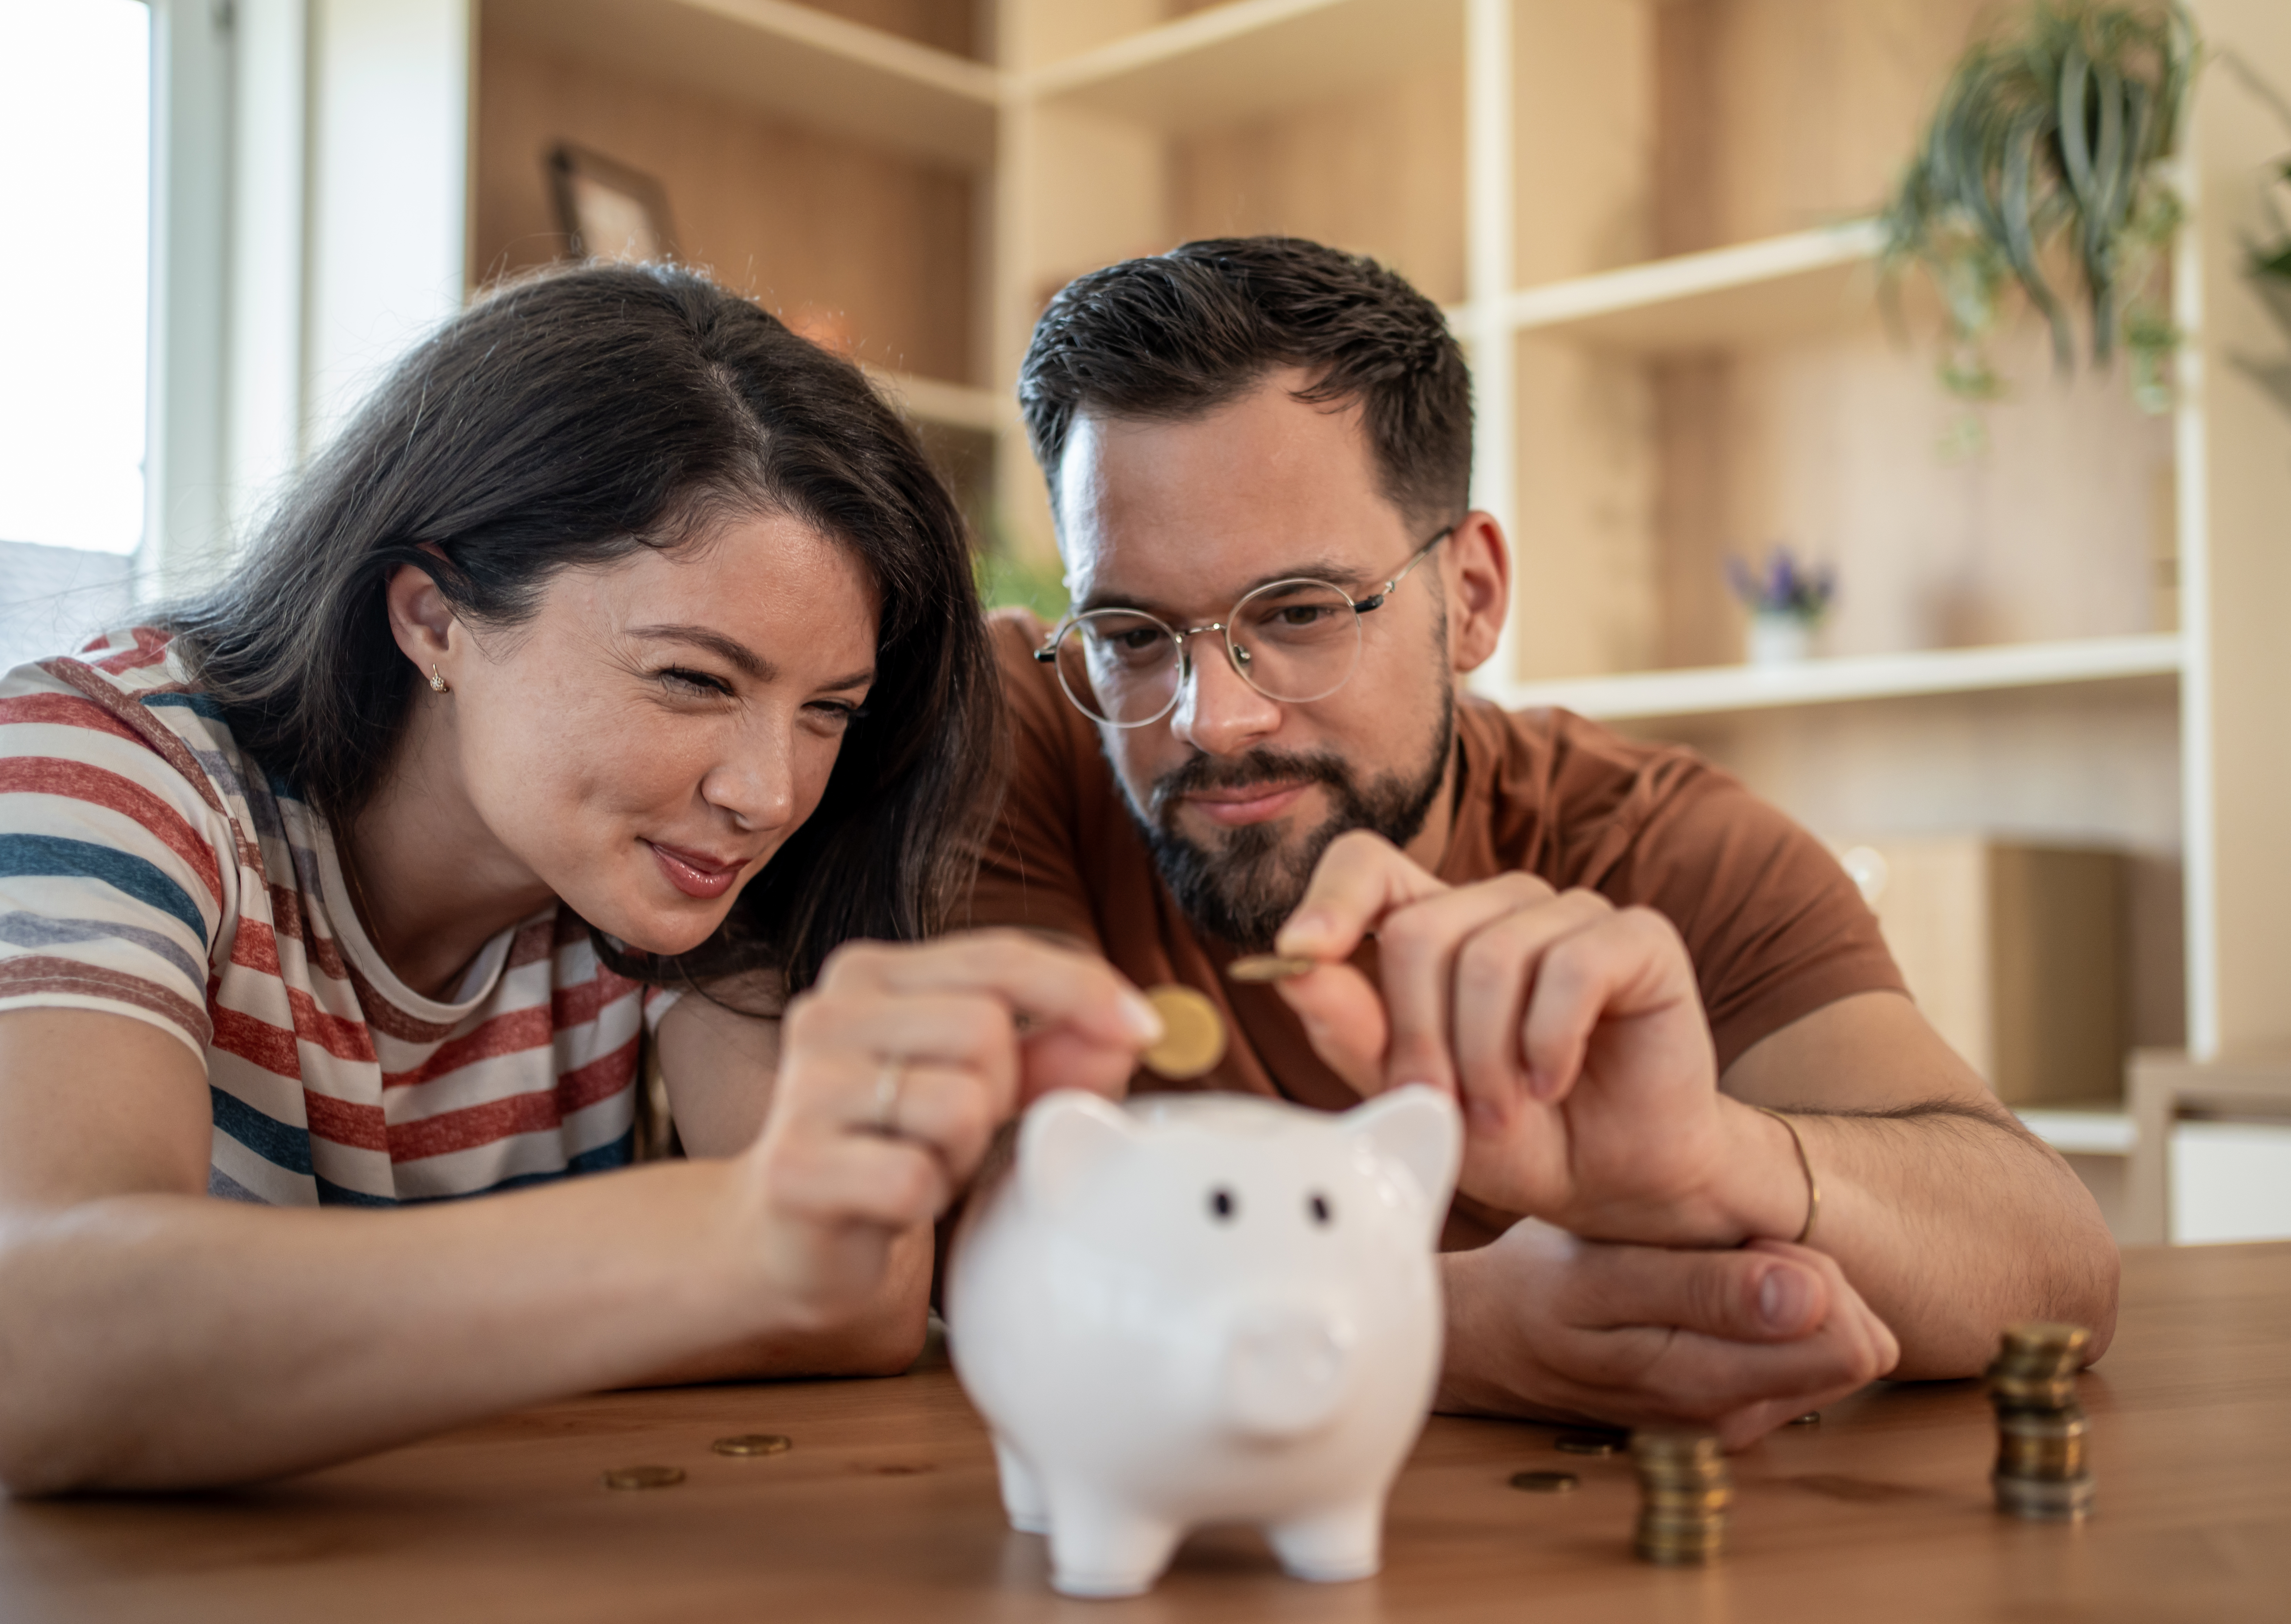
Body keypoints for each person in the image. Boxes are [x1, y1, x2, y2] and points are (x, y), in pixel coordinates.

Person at [0, 263, 1157, 1495]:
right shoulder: (104, 771)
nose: (767, 792)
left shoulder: (676, 865)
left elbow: (858, 1294)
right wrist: (734, 1242)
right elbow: (43, 1344)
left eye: (830, 711)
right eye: (692, 681)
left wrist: (256, 1342)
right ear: (434, 620)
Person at [959, 236, 2121, 1443]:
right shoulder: (1021, 736)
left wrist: (1715, 1159)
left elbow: (2051, 1261)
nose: (1214, 718)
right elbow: (991, 1224)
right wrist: (1437, 1327)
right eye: (1133, 634)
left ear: (1471, 597)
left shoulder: (1667, 847)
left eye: (1299, 614)